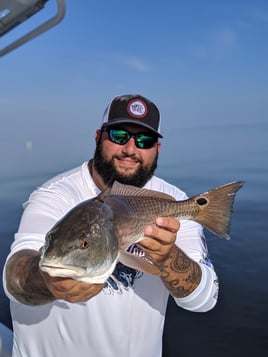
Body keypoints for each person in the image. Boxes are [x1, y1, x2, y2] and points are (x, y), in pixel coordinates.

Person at [3, 94, 219, 357]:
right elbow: (14, 278)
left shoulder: (171, 202)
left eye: (144, 140)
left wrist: (168, 257)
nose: (130, 148)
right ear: (98, 137)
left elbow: (204, 300)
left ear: (157, 148)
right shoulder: (54, 195)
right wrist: (47, 281)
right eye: (118, 135)